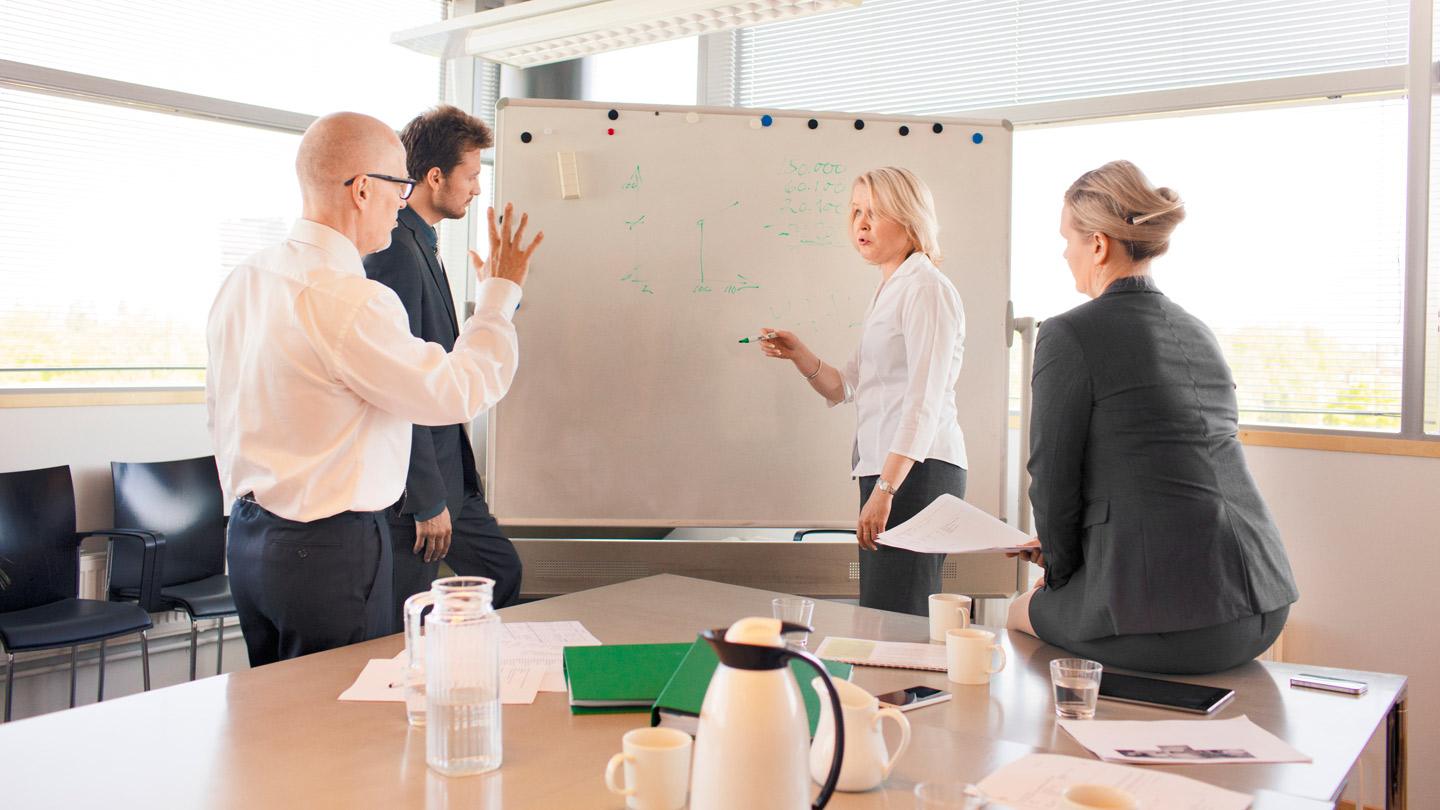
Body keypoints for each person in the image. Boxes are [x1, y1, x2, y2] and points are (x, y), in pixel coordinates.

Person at [206, 111, 543, 666]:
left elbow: (221, 413)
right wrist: (498, 298)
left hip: (248, 545)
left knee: (279, 730)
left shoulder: (246, 278)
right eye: (398, 185)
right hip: (328, 554)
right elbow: (456, 391)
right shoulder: (350, 300)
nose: (402, 199)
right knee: (347, 734)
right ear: (363, 189)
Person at [1006, 160, 1298, 675]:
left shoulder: (1068, 334)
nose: (1064, 253)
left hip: (1167, 625)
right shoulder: (1197, 330)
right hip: (1262, 606)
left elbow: (1051, 478)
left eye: (1067, 239)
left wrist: (1060, 570)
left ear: (1097, 245)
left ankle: (1068, 748)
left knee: (1017, 611)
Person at [757, 167, 967, 616]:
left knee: (899, 620)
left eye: (875, 212)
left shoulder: (925, 289)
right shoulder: (889, 289)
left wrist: (887, 489)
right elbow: (846, 384)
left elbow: (924, 401)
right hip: (887, 472)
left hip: (915, 473)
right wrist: (800, 355)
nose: (861, 224)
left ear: (909, 219)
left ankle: (911, 693)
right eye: (855, 211)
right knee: (883, 615)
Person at [363, 105, 523, 624]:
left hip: (452, 474)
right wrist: (426, 498)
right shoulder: (396, 252)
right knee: (398, 620)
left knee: (503, 573)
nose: (477, 189)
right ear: (434, 177)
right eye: (472, 175)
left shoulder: (423, 245)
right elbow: (397, 384)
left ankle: (452, 665)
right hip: (422, 487)